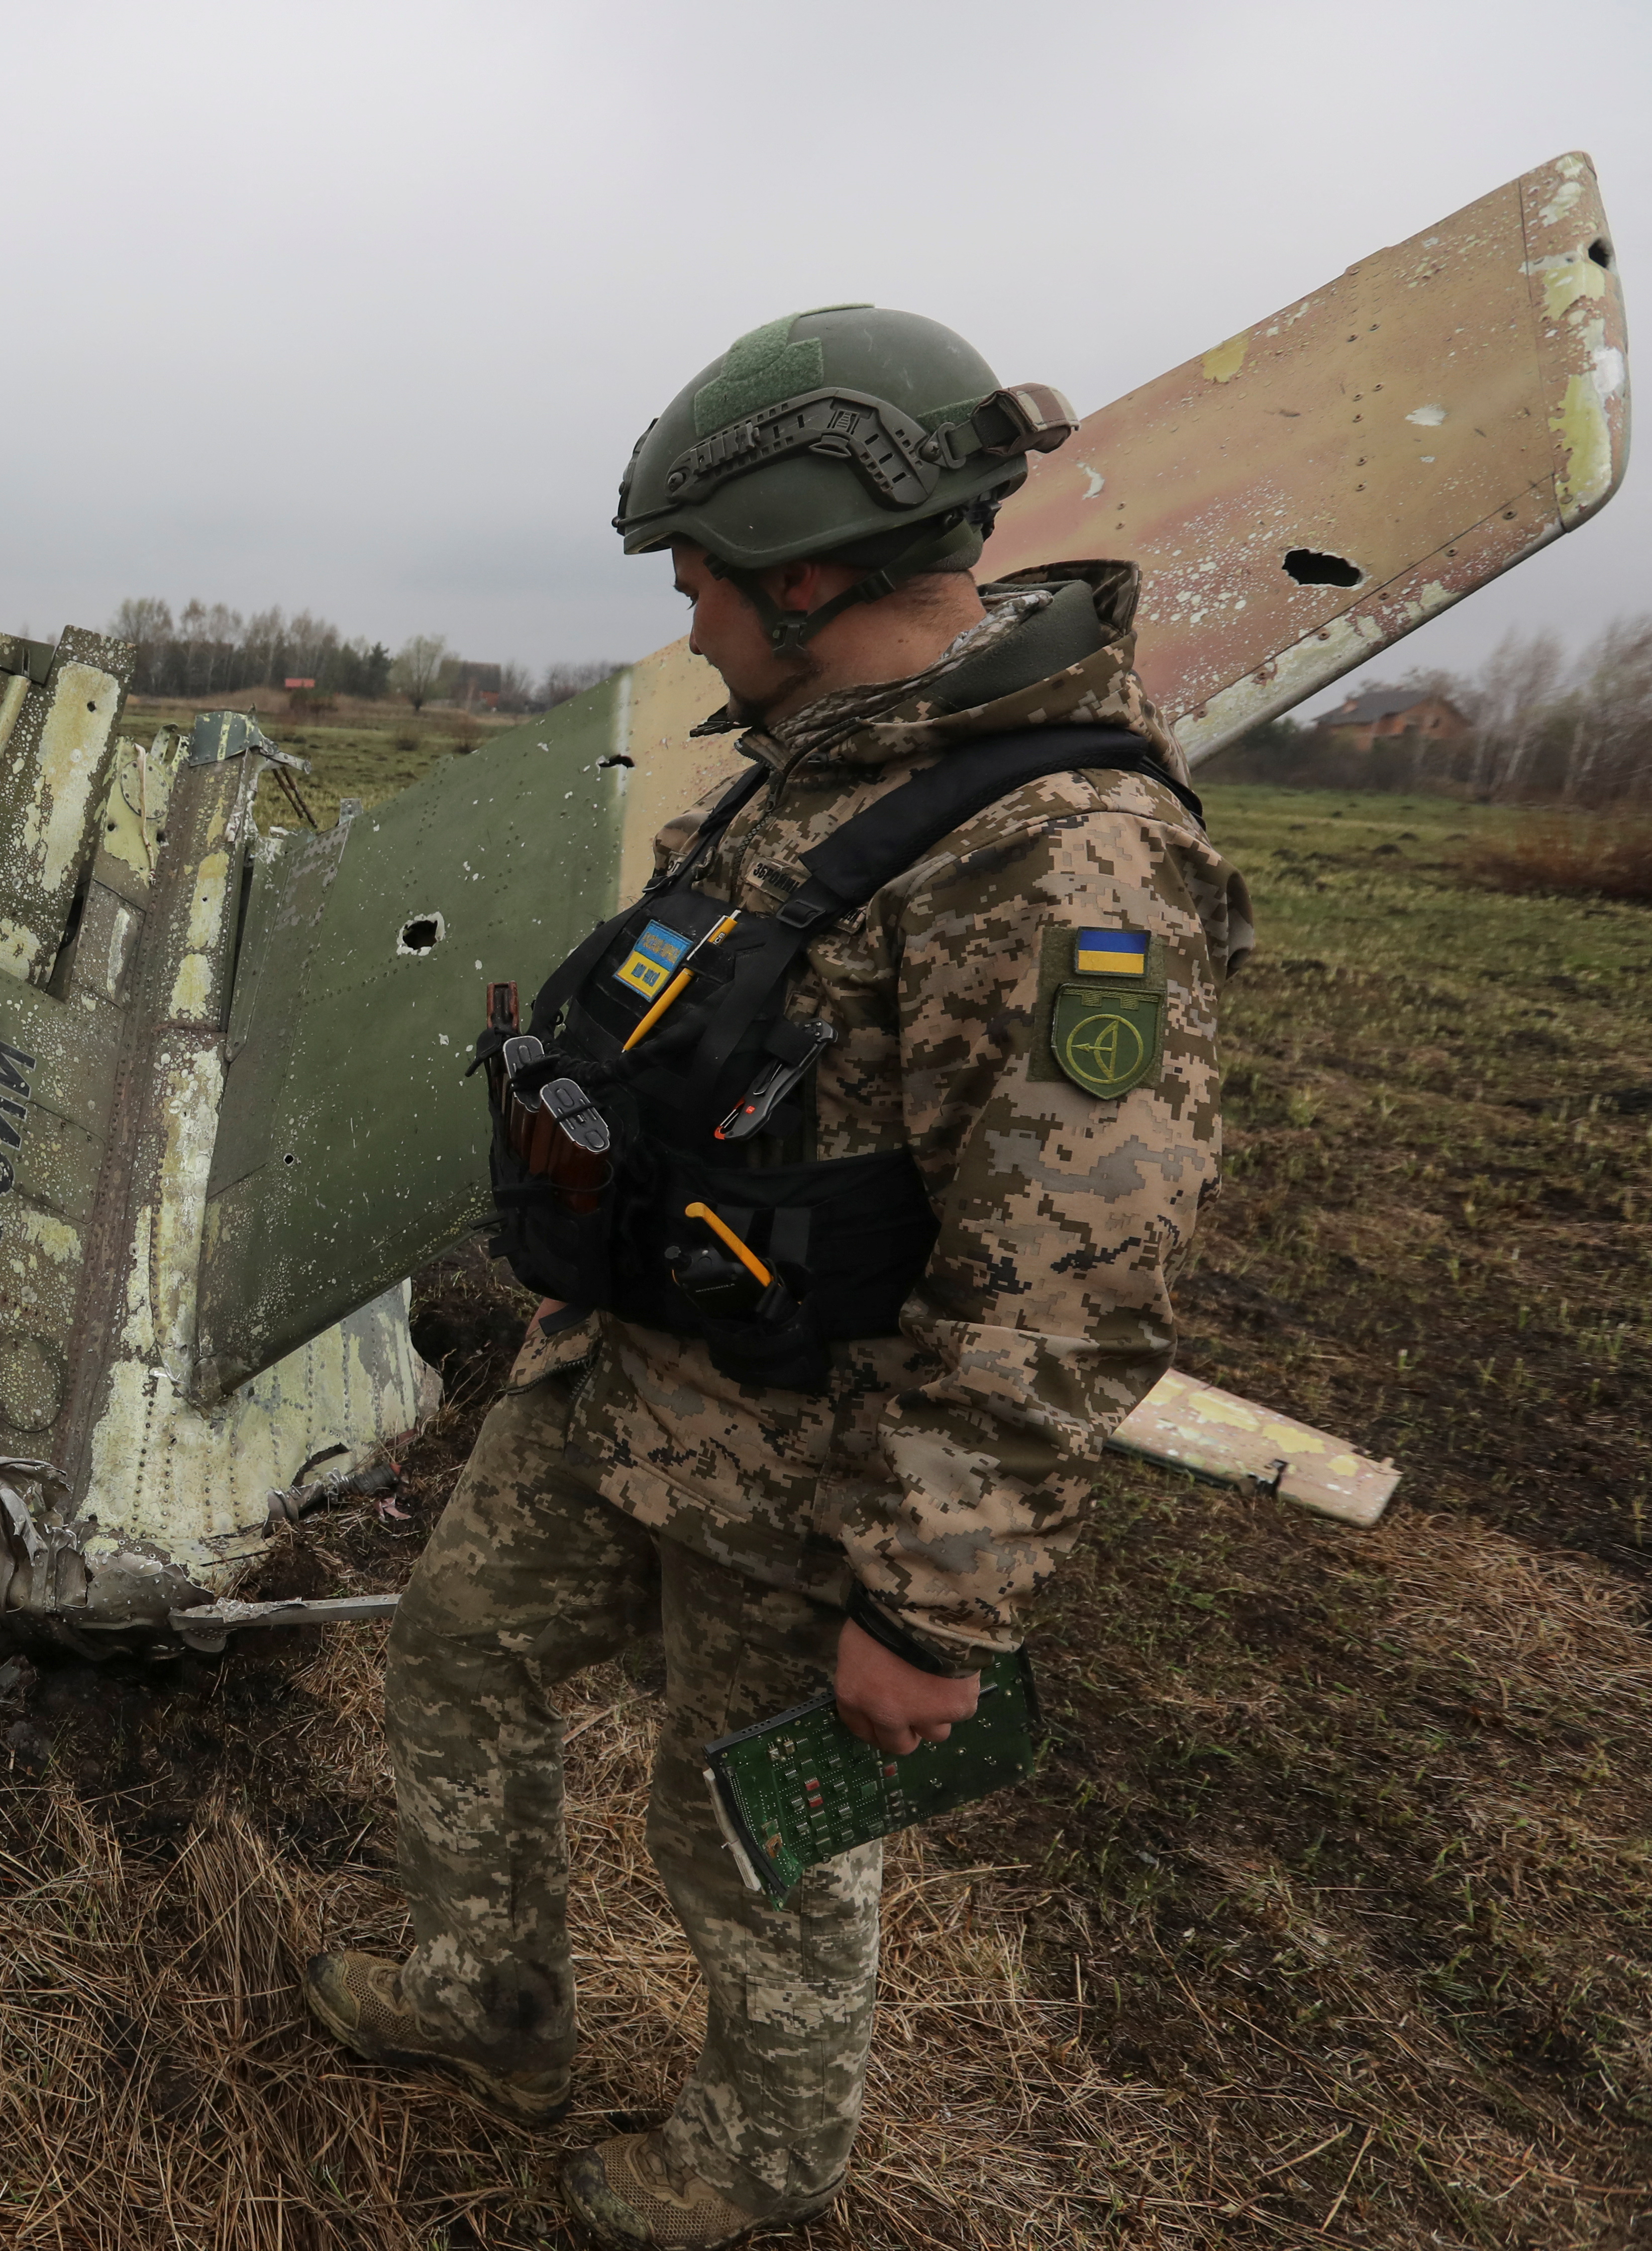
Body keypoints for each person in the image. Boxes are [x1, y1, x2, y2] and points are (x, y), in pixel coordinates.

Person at [301, 306, 1252, 2247]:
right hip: (627, 1381)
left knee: (757, 1845)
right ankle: (488, 1994)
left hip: (820, 1466)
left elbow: (1069, 1280)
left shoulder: (1066, 850)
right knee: (460, 1653)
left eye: (705, 582)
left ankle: (756, 2164)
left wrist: (931, 1601)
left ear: (810, 574)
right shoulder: (809, 770)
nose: (692, 620)